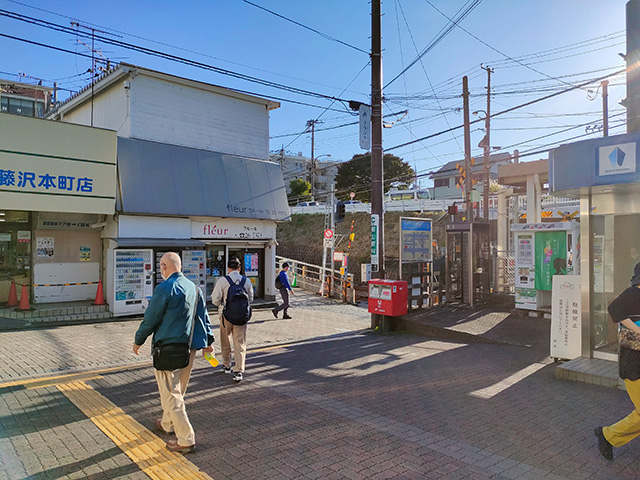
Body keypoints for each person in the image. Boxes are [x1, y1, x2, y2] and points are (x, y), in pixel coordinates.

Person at [133, 252, 214, 454]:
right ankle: (168, 424)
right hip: (189, 349)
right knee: (178, 391)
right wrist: (209, 342)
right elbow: (203, 317)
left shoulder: (164, 288)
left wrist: (138, 341)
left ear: (163, 267)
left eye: (161, 267)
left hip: (168, 349)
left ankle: (186, 438)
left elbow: (150, 319)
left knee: (171, 394)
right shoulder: (194, 288)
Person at [594, 261, 640, 461]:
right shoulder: (632, 294)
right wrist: (637, 329)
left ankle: (608, 435)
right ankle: (607, 435)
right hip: (634, 366)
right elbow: (613, 309)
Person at [211, 257, 254, 382]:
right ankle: (239, 371)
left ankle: (226, 365)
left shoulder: (223, 281)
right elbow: (250, 298)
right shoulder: (246, 281)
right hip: (241, 317)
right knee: (240, 343)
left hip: (226, 316)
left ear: (228, 268)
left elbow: (215, 299)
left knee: (226, 341)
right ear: (239, 268)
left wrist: (222, 304)